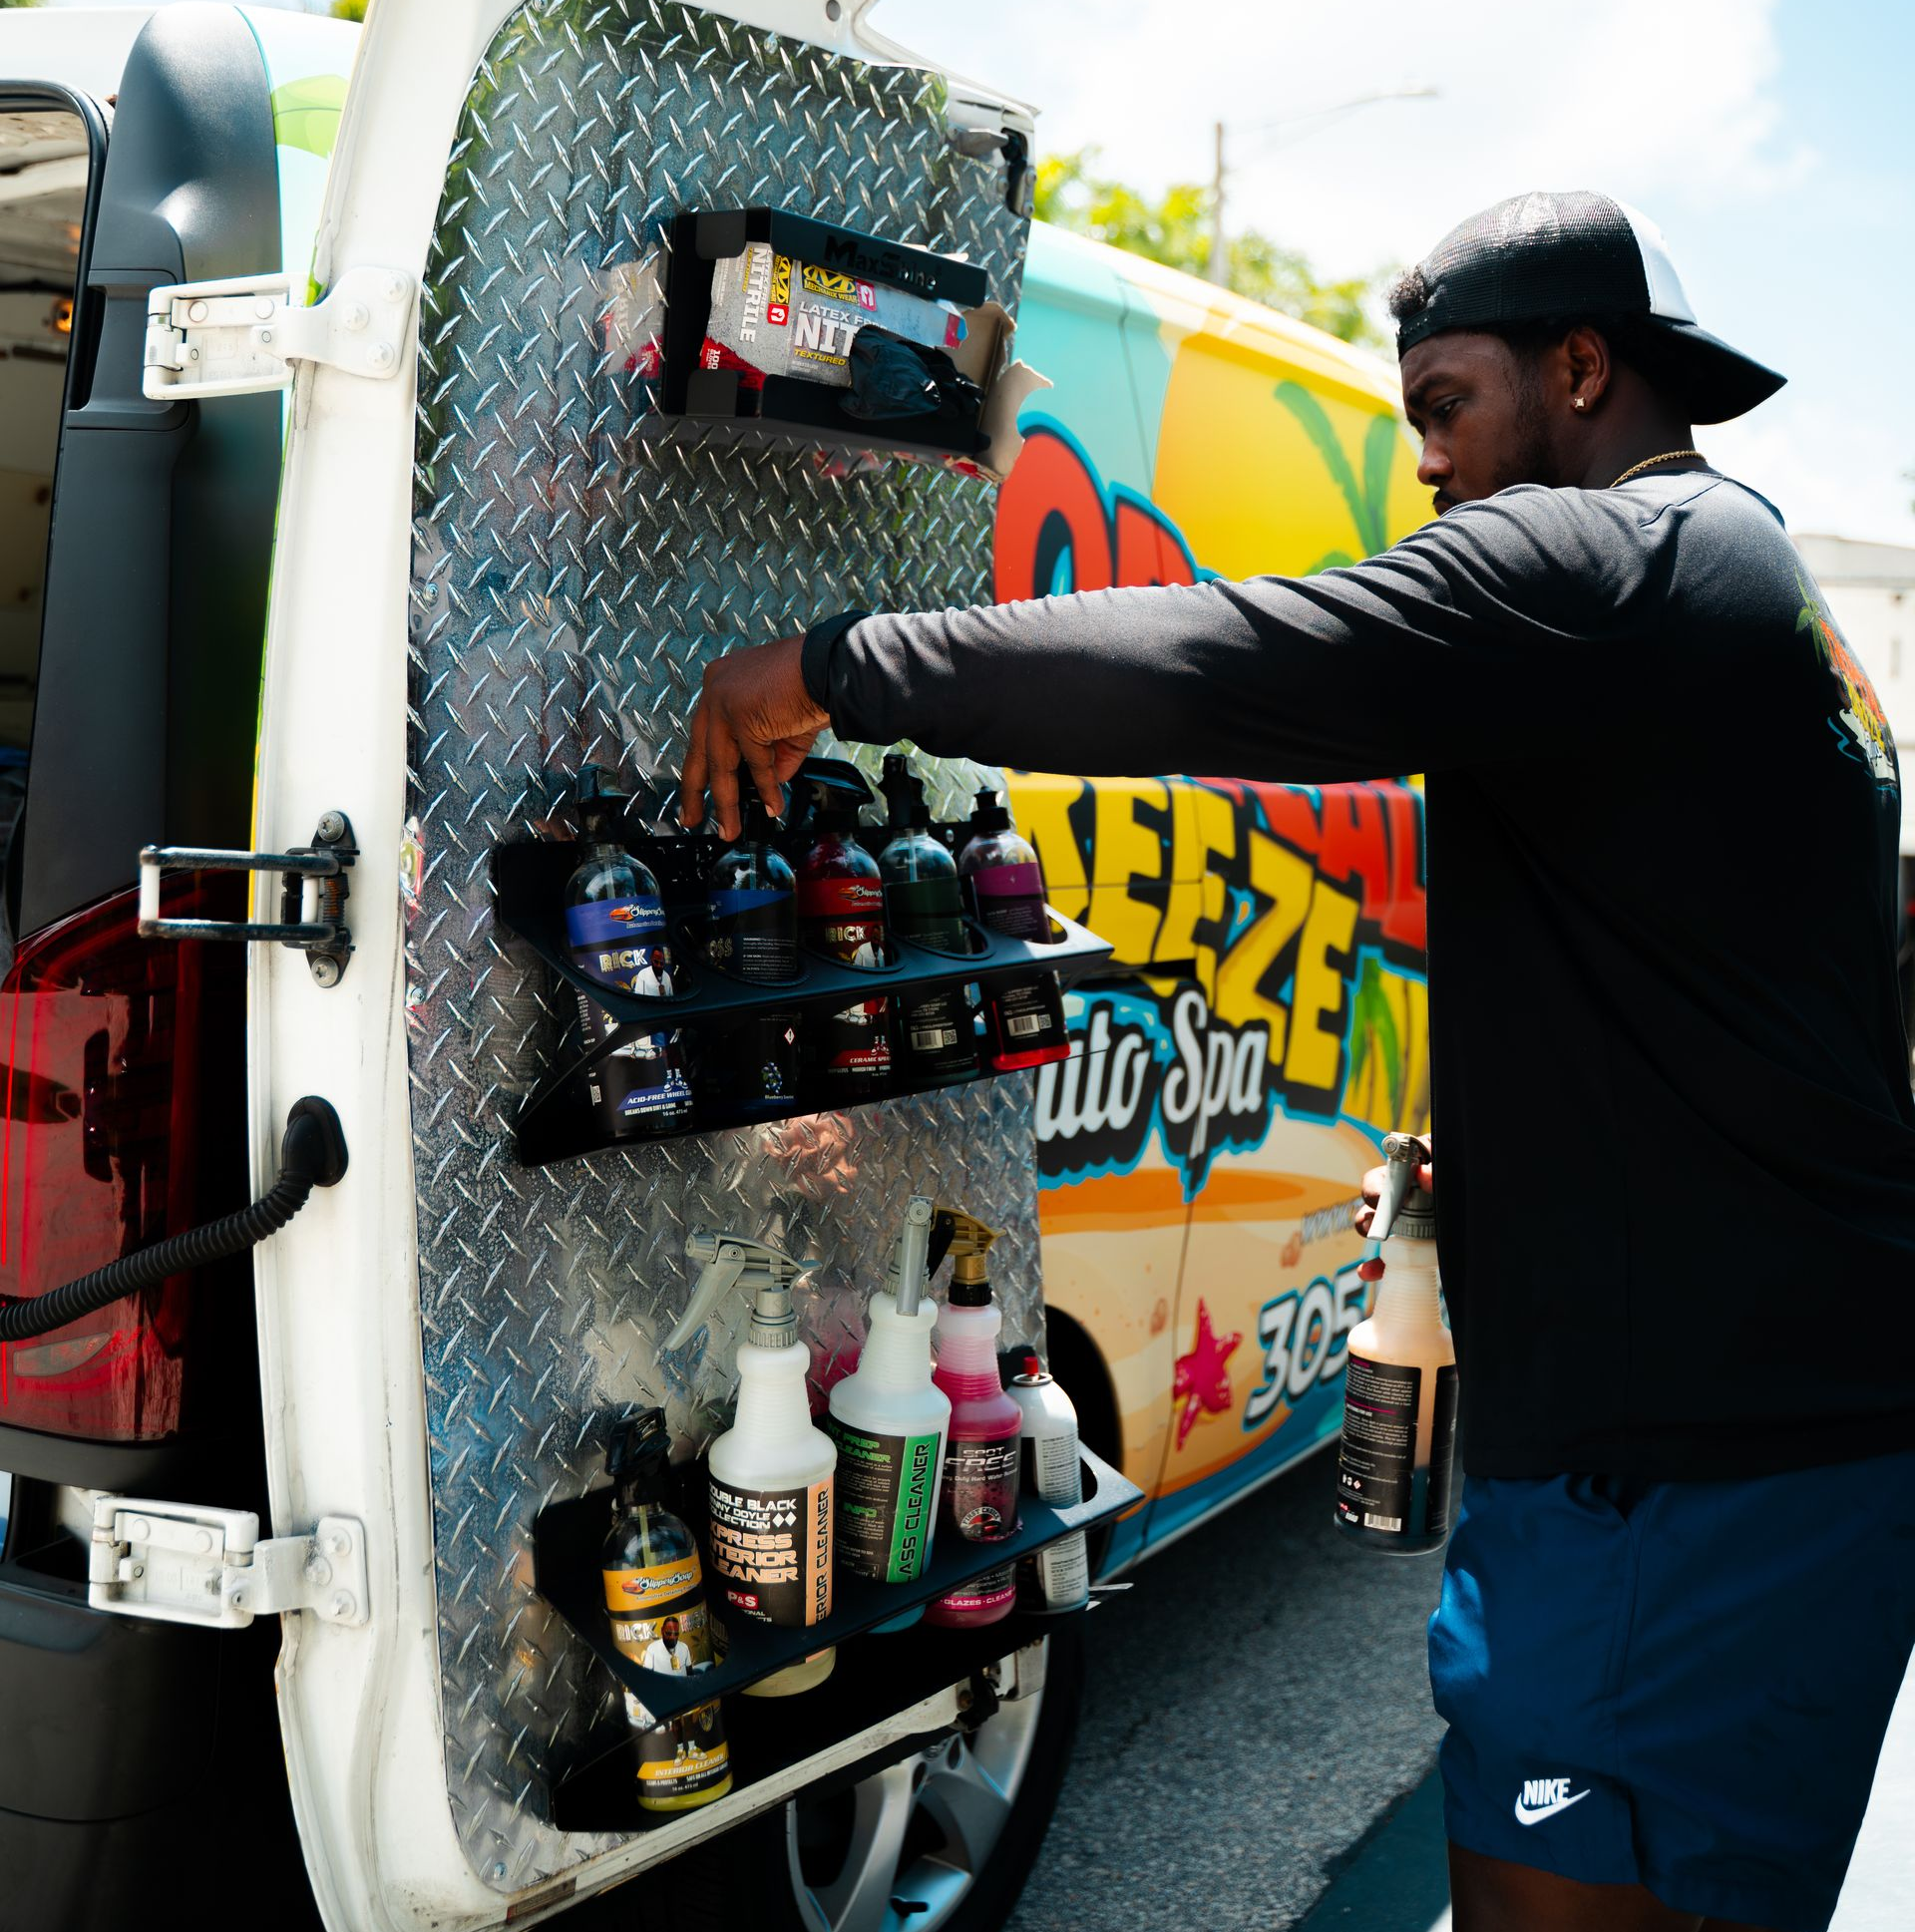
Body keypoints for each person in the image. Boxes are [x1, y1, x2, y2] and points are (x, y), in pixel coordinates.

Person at [680, 190, 1915, 1932]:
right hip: (1779, 1451)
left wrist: (833, 667)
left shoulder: (1609, 564)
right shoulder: (1751, 578)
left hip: (1679, 1491)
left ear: (1582, 368)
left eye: (1446, 405)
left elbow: (1222, 663)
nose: (1425, 466)